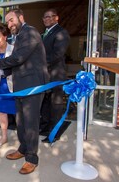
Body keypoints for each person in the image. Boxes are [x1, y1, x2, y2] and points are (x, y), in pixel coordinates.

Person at [0, 9, 49, 174]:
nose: (10, 24)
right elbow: (17, 64)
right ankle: (23, 149)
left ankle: (31, 158)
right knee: (21, 121)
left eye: (11, 20)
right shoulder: (20, 35)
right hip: (21, 86)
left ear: (21, 17)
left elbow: (19, 58)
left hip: (33, 86)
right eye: (7, 22)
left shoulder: (30, 32)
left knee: (30, 123)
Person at [40, 9, 70, 143]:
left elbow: (57, 54)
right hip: (45, 75)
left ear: (56, 18)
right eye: (44, 17)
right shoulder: (45, 34)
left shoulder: (61, 33)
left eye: (49, 17)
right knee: (45, 102)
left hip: (56, 75)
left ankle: (54, 133)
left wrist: (39, 64)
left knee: (56, 104)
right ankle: (45, 127)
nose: (46, 19)